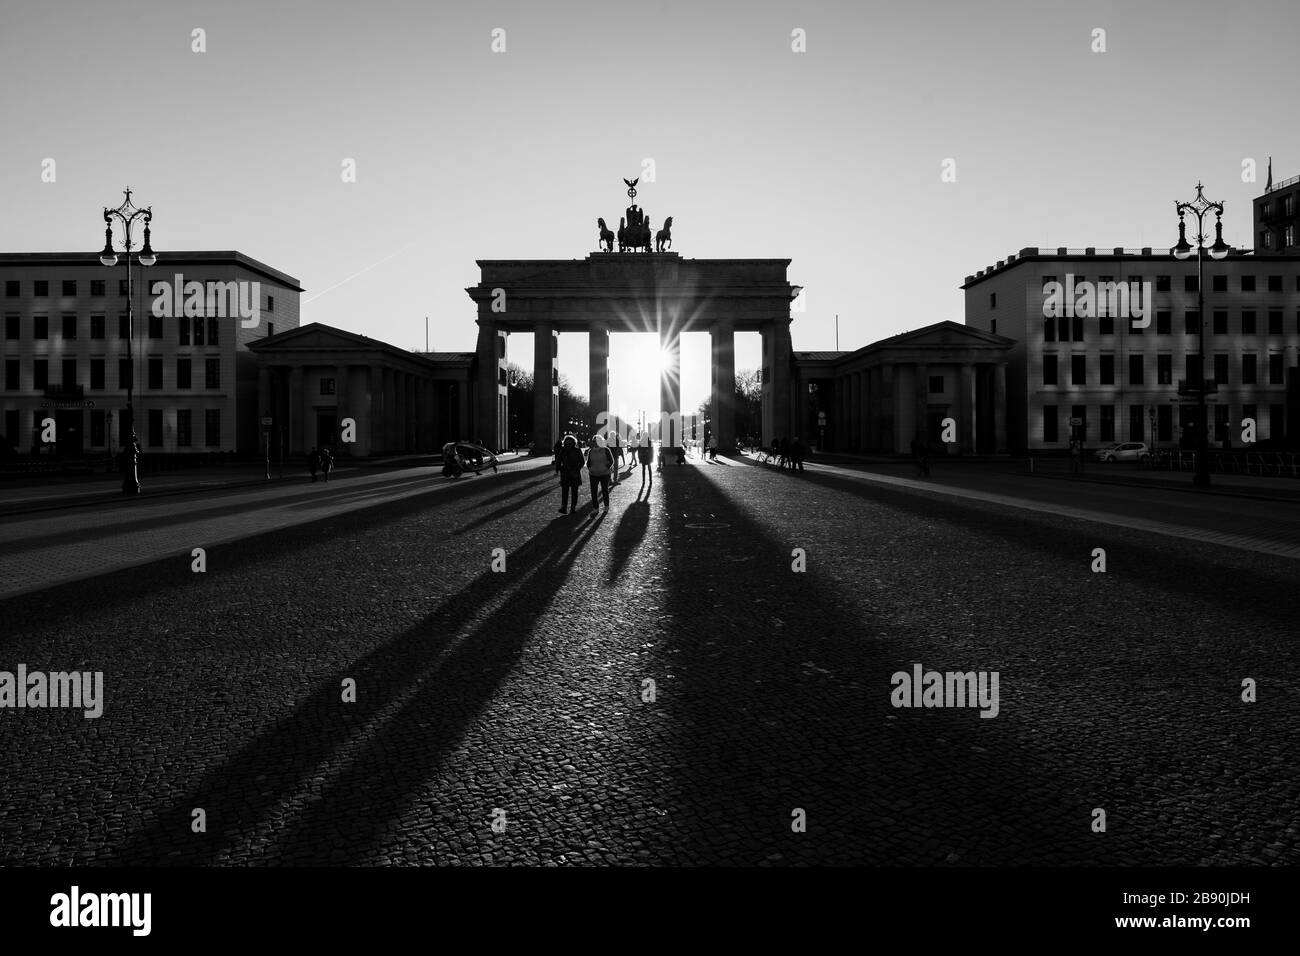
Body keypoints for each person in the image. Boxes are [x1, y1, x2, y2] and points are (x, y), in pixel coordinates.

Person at [586, 434, 614, 511]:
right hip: (593, 473)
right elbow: (588, 462)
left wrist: (605, 468)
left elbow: (611, 461)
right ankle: (595, 508)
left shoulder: (606, 450)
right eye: (594, 441)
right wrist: (590, 468)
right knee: (593, 491)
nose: (595, 442)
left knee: (604, 489)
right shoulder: (591, 451)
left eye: (597, 441)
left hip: (605, 473)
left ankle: (606, 506)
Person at [556, 434, 584, 514]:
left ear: (573, 443)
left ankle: (573, 507)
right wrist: (558, 469)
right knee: (565, 491)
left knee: (574, 492)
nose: (568, 445)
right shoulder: (563, 451)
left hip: (575, 473)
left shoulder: (577, 450)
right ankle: (564, 507)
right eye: (566, 443)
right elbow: (558, 460)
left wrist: (576, 469)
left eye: (570, 443)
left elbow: (582, 462)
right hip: (565, 473)